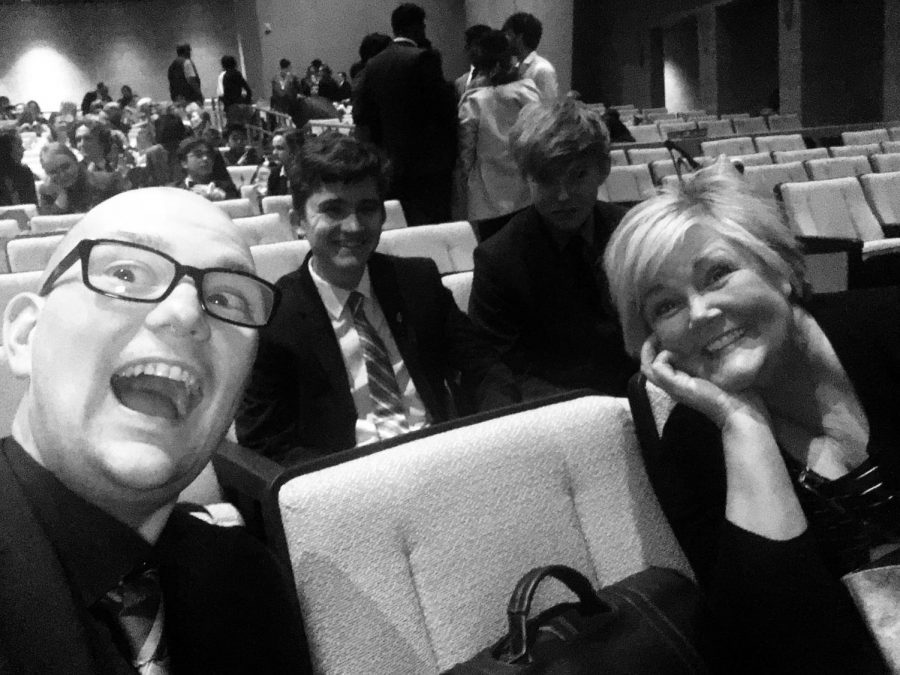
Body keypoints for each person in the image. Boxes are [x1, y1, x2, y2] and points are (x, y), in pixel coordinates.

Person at [0, 187, 310, 673]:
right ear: (24, 336)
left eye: (225, 297)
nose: (186, 314)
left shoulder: (250, 585)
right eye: (125, 273)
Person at [602, 161, 891, 674]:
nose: (700, 312)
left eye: (717, 274)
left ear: (777, 267)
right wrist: (742, 425)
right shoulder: (693, 446)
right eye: (666, 306)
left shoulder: (887, 327)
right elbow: (772, 645)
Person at [236, 133, 517, 463]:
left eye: (367, 209)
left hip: (445, 459)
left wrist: (498, 437)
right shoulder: (275, 315)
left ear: (383, 216)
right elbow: (264, 441)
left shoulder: (417, 282)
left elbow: (486, 369)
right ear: (299, 222)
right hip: (347, 482)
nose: (353, 226)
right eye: (333, 210)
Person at [468, 99, 635, 399]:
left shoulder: (633, 233)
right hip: (556, 411)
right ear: (524, 177)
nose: (562, 195)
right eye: (545, 180)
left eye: (578, 176)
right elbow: (495, 368)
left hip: (640, 392)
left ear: (604, 169)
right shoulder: (498, 259)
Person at [352, 3, 457, 225]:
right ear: (418, 27)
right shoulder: (423, 58)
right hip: (429, 165)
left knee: (403, 227)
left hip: (391, 164)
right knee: (435, 226)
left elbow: (362, 116)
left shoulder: (372, 65)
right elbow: (444, 110)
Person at [458, 30, 541, 240]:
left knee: (494, 248)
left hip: (489, 191)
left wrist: (467, 180)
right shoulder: (529, 92)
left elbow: (467, 151)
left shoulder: (475, 101)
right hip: (526, 186)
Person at [38, 143, 124, 215]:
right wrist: (62, 196)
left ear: (75, 161)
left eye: (65, 167)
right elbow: (48, 226)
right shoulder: (47, 192)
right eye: (53, 172)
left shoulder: (106, 182)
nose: (62, 175)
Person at [502, 12, 558, 102]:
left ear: (519, 37)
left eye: (509, 34)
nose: (505, 40)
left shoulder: (542, 69)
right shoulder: (516, 66)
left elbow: (549, 107)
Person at [175, 137, 239, 201]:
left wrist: (223, 198)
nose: (205, 158)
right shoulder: (174, 190)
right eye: (198, 154)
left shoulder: (227, 189)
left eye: (209, 154)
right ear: (184, 163)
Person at [0, 128, 37, 206]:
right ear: (7, 150)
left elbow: (31, 209)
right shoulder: (24, 173)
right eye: (19, 145)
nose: (23, 149)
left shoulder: (25, 173)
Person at [455, 23, 491, 100]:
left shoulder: (494, 80)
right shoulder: (460, 82)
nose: (474, 50)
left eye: (477, 45)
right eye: (469, 45)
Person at [266, 127, 305, 196]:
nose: (274, 152)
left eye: (280, 148)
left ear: (295, 150)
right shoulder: (274, 174)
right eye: (273, 148)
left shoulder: (310, 175)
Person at [218, 54, 253, 123]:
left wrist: (224, 101)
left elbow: (226, 92)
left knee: (233, 127)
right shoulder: (238, 74)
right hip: (240, 103)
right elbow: (248, 89)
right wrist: (246, 101)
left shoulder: (225, 76)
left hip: (232, 106)